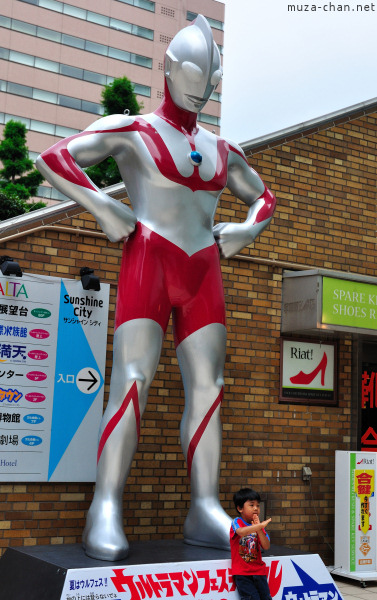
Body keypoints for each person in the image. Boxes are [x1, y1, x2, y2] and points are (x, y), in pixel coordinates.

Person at [36, 15, 277, 561]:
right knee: (132, 380)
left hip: (202, 269)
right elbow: (55, 156)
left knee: (209, 386)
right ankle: (106, 504)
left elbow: (265, 199)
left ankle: (204, 504)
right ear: (169, 69)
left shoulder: (222, 149)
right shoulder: (135, 129)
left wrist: (243, 231)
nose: (201, 86)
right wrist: (103, 207)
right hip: (149, 258)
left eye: (209, 78)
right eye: (192, 73)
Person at [230, 488, 272, 600]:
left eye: (258, 506)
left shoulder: (259, 526)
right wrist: (259, 526)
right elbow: (240, 532)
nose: (256, 509)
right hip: (243, 574)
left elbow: (266, 546)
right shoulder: (236, 522)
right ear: (240, 508)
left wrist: (259, 528)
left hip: (260, 572)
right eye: (251, 505)